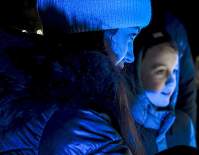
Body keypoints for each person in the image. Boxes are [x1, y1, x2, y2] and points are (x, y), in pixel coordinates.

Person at [0, 0, 151, 154]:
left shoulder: (41, 96)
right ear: (98, 29)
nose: (131, 56)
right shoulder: (78, 121)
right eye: (131, 36)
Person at [129, 26, 196, 155]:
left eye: (175, 71)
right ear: (137, 73)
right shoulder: (121, 128)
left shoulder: (184, 125)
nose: (172, 82)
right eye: (160, 71)